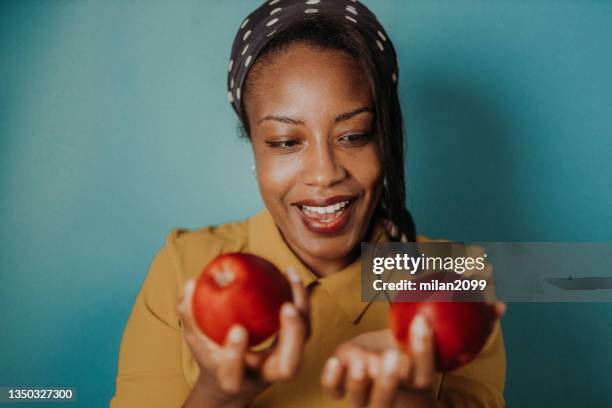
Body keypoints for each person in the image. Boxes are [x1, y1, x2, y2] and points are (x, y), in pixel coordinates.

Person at [110, 1, 506, 407]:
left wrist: (411, 401)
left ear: (385, 138)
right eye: (285, 142)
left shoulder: (457, 275)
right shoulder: (184, 268)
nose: (324, 173)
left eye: (354, 135)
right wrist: (218, 395)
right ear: (254, 148)